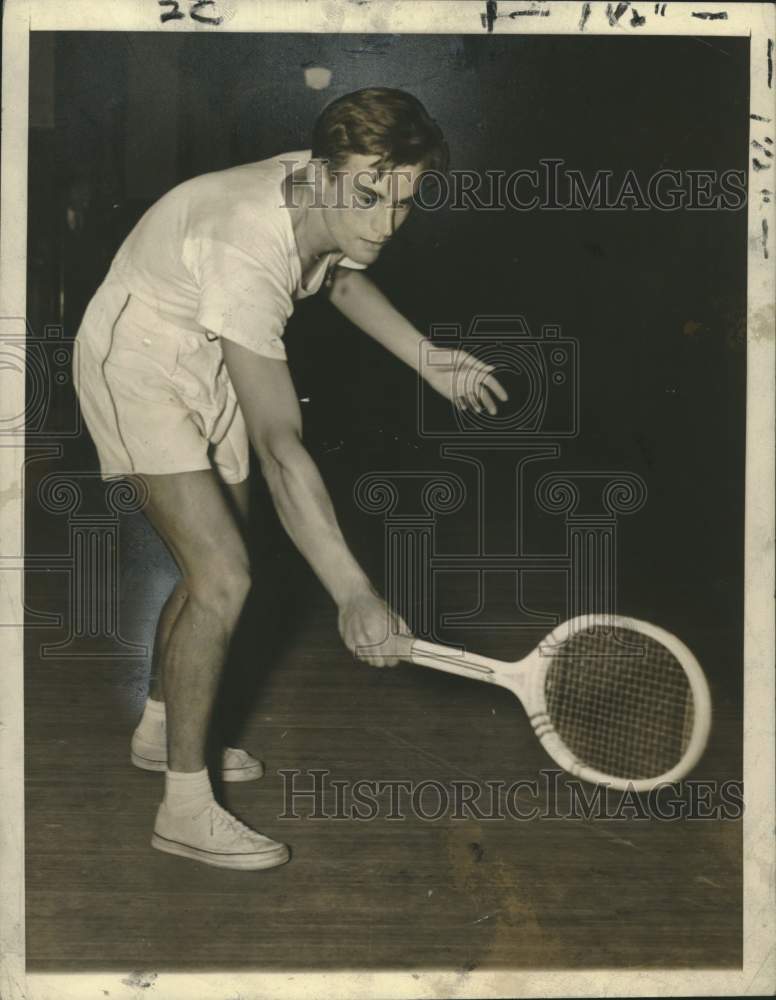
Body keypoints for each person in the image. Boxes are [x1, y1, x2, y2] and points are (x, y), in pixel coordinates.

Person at [73, 87, 507, 871]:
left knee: (219, 557)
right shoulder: (247, 244)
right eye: (370, 197)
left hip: (206, 342)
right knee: (222, 576)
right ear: (322, 172)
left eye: (403, 204)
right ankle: (185, 807)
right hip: (137, 357)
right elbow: (281, 446)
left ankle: (159, 728)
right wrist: (352, 591)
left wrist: (428, 360)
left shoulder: (320, 189)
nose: (383, 222)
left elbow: (337, 276)